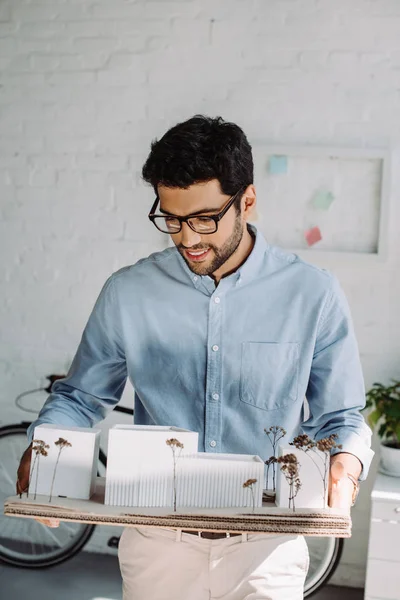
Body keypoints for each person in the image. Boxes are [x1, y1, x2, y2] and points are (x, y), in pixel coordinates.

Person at [17, 115, 374, 600]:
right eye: (172, 219)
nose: (187, 238)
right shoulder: (128, 293)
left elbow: (340, 416)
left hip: (266, 547)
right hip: (157, 542)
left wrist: (346, 462)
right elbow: (79, 397)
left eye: (205, 219)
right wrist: (45, 444)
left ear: (247, 200)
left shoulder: (313, 295)